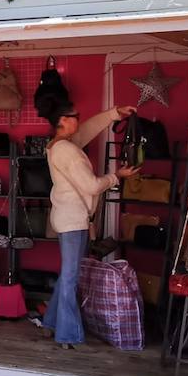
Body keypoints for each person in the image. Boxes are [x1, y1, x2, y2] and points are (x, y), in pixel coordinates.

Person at [42, 102, 139, 349]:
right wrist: (118, 176)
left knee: (68, 274)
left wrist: (115, 114)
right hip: (74, 220)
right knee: (71, 277)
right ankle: (67, 334)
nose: (79, 119)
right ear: (62, 121)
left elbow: (87, 129)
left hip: (67, 217)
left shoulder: (59, 145)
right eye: (75, 116)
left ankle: (51, 322)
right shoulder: (69, 151)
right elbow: (93, 186)